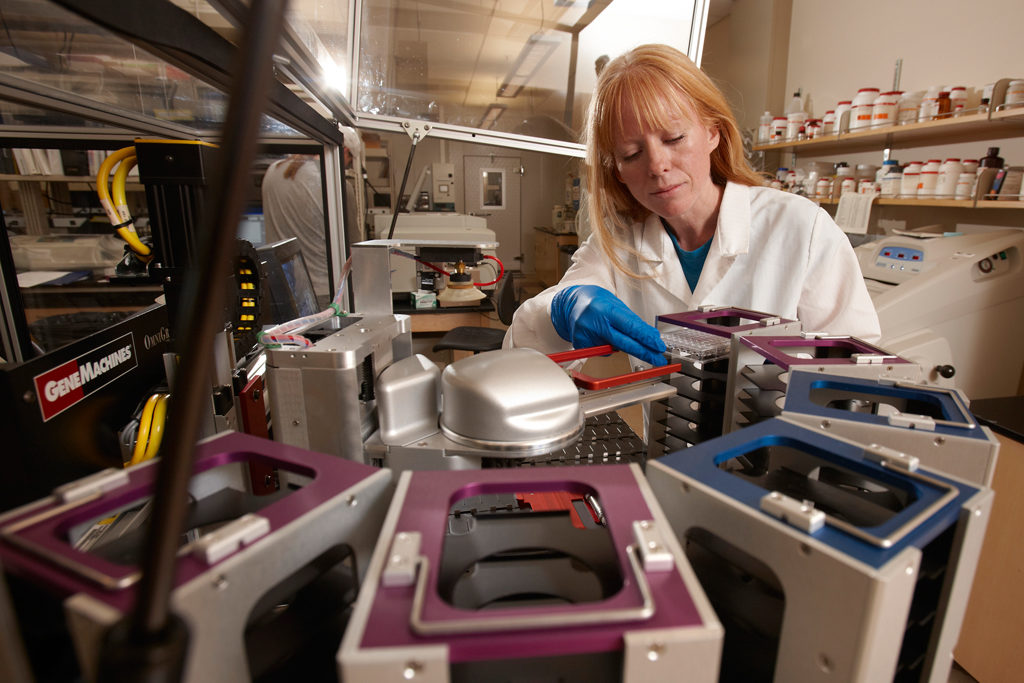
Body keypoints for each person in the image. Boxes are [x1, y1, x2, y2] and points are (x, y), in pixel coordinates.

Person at [504, 44, 880, 366]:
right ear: (616, 170)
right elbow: (518, 348)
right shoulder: (619, 246)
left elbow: (858, 373)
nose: (657, 165)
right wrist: (561, 311)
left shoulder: (803, 229)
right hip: (668, 451)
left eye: (674, 137)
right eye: (632, 154)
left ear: (713, 131)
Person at [261, 154, 331, 302]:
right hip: (323, 289)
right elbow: (352, 251)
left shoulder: (272, 170)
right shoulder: (324, 178)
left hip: (283, 287)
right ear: (344, 151)